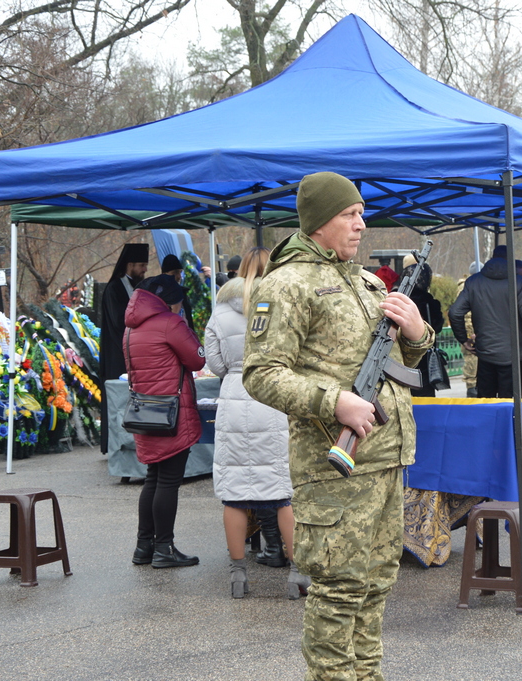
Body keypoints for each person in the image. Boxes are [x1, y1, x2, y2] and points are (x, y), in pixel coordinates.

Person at [242, 171, 434, 681]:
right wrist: (335, 403)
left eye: (361, 213)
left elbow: (403, 357)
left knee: (376, 585)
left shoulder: (367, 280)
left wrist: (418, 332)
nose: (361, 225)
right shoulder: (285, 285)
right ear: (321, 221)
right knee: (338, 591)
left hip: (386, 460)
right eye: (350, 215)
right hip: (336, 471)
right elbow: (261, 375)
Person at [205, 247, 303, 599]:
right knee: (282, 492)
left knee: (234, 493)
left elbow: (214, 363)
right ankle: (296, 574)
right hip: (273, 398)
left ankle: (237, 575)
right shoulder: (281, 304)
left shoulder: (219, 312)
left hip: (233, 400)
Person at [125, 274, 207, 568]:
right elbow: (197, 360)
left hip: (145, 413)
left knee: (153, 478)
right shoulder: (171, 324)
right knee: (168, 481)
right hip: (172, 414)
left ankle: (143, 546)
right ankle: (164, 548)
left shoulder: (130, 329)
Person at [448, 245, 522, 399]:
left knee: (485, 403)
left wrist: (463, 339)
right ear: (511, 261)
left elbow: (454, 312)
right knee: (510, 405)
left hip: (484, 353)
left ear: (492, 257)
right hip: (513, 356)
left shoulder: (473, 282)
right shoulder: (519, 283)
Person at [99, 242, 149, 454]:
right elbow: (120, 321)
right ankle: (115, 443)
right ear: (129, 265)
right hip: (117, 354)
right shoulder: (114, 288)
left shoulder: (139, 285)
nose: (144, 270)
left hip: (135, 351)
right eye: (141, 265)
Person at [400, 257, 445, 398]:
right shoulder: (430, 302)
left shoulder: (399, 298)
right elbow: (437, 327)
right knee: (425, 396)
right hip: (425, 356)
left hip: (400, 357)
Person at [455, 262, 479, 397]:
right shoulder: (467, 287)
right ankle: (471, 388)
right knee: (472, 361)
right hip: (471, 333)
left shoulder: (468, 285)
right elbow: (466, 315)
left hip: (472, 331)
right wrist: (470, 334)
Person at [161, 254, 197, 333]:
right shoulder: (159, 296)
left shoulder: (183, 294)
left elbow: (189, 323)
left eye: (180, 272)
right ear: (164, 274)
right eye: (174, 273)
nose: (179, 277)